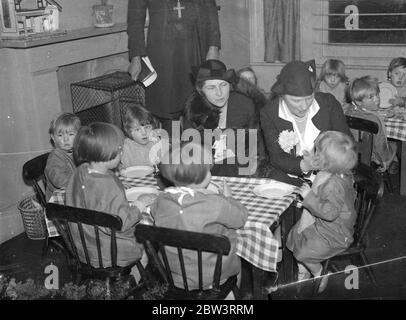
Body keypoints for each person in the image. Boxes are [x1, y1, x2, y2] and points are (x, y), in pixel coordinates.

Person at [150, 141, 248, 293]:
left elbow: (154, 213)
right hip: (214, 276)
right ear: (204, 177)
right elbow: (240, 218)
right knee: (239, 263)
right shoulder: (216, 204)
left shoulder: (161, 200)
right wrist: (229, 198)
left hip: (174, 274)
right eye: (208, 171)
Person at [65, 122, 146, 278]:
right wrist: (139, 205)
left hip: (83, 246)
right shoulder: (109, 186)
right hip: (109, 250)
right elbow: (121, 223)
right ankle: (131, 283)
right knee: (147, 241)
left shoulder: (79, 172)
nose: (122, 153)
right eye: (120, 150)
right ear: (106, 152)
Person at [127, 0, 221, 133]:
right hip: (161, 49)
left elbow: (211, 10)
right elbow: (135, 18)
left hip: (195, 46)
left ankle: (195, 144)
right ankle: (172, 145)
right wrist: (136, 56)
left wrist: (213, 46)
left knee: (198, 101)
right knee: (166, 104)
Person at [260, 59, 352, 186]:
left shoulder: (329, 105)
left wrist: (326, 161)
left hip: (330, 173)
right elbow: (276, 156)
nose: (303, 106)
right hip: (290, 175)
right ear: (282, 95)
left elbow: (346, 143)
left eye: (309, 98)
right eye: (295, 101)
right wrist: (304, 165)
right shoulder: (269, 113)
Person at [286, 131, 358, 293]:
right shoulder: (337, 171)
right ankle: (304, 270)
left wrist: (309, 197)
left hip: (336, 233)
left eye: (317, 151)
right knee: (295, 234)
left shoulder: (334, 184)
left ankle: (319, 272)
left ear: (327, 162)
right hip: (327, 224)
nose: (314, 152)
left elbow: (330, 213)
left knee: (303, 251)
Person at [182, 59, 261, 177]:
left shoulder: (244, 105)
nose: (219, 93)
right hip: (206, 172)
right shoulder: (193, 111)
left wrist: (234, 155)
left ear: (230, 85)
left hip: (242, 169)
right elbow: (190, 153)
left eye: (223, 85)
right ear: (201, 90)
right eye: (211, 88)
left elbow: (257, 146)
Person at [345, 76, 398, 173]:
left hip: (351, 155)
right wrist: (385, 161)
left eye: (377, 94)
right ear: (358, 101)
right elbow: (380, 144)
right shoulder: (375, 120)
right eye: (371, 97)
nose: (377, 99)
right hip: (372, 159)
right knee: (395, 145)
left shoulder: (349, 112)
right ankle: (392, 165)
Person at [44, 112, 81, 201]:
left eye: (71, 134)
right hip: (60, 202)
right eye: (60, 135)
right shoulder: (55, 158)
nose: (65, 139)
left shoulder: (77, 151)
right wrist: (82, 180)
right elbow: (60, 181)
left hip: (74, 192)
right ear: (53, 138)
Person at [120, 103, 162, 170]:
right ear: (129, 131)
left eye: (147, 127)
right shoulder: (126, 146)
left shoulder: (155, 141)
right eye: (137, 129)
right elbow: (125, 170)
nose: (144, 133)